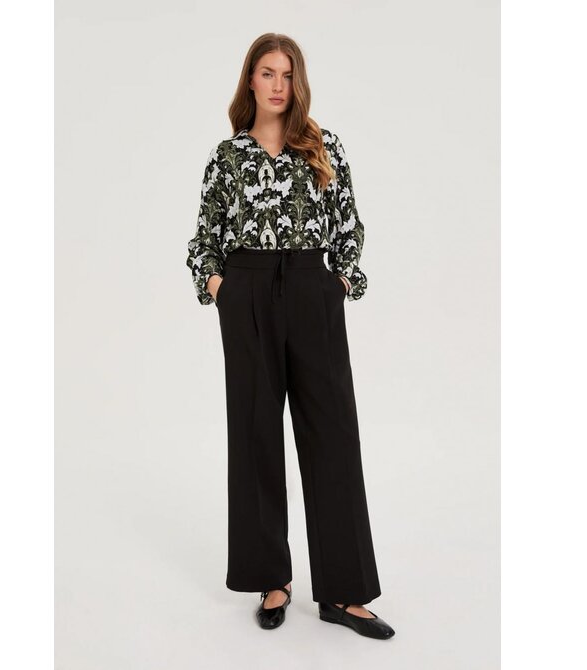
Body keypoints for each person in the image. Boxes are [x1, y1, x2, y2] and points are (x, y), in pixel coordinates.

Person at [185, 33, 395, 641]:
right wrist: (223, 289)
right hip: (247, 290)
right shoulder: (229, 158)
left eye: (287, 73)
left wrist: (338, 284)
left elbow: (348, 226)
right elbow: (203, 240)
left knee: (333, 434)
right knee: (255, 434)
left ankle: (345, 593)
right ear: (250, 81)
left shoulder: (324, 147)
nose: (278, 84)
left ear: (297, 82)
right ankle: (270, 580)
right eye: (267, 72)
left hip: (310, 289)